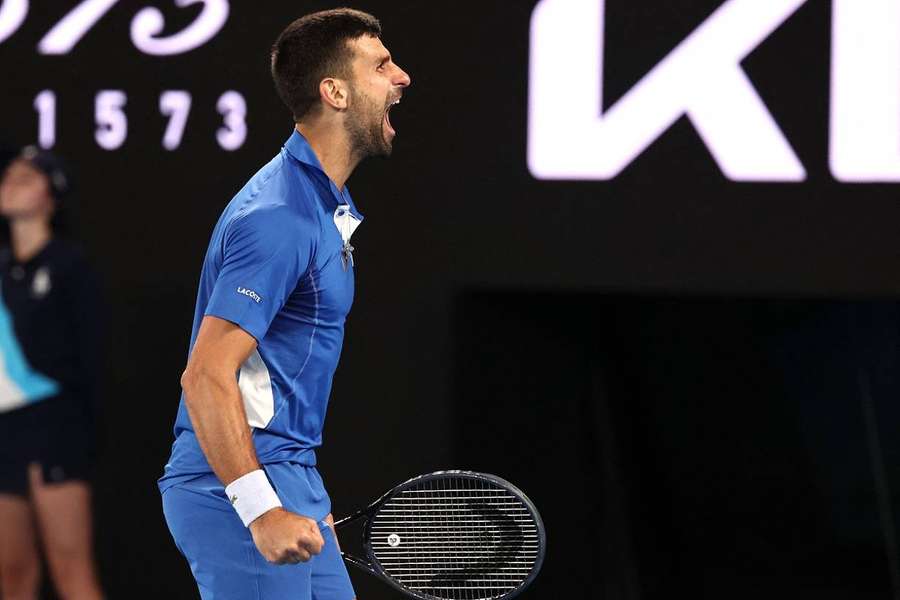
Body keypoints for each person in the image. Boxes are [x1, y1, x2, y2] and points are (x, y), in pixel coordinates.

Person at [159, 8, 411, 600]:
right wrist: (260, 510)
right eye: (381, 65)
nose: (402, 78)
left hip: (289, 477)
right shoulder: (279, 217)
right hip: (232, 488)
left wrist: (290, 496)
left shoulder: (320, 203)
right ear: (335, 91)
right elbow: (205, 375)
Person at [0, 146, 105, 600]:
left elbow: (90, 359)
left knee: (70, 570)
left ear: (51, 195)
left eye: (26, 177)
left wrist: (80, 436)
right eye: (8, 176)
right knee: (12, 574)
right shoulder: (3, 268)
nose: (11, 183)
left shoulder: (69, 265)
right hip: (6, 433)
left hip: (55, 430)